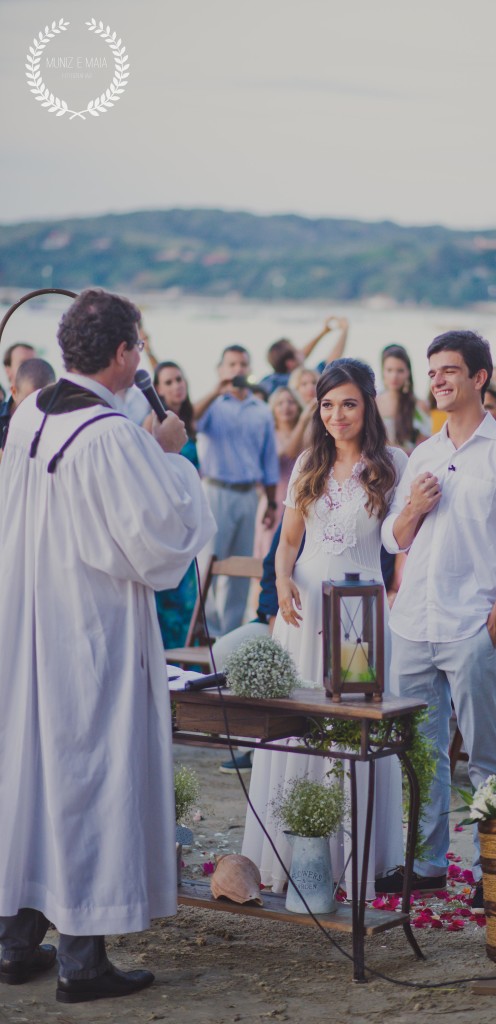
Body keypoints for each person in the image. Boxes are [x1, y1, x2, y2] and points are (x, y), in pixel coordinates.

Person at [0, 288, 215, 1003]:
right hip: (89, 627)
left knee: (32, 773)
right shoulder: (112, 435)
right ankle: (83, 960)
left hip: (29, 616)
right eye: (140, 346)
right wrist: (176, 460)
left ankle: (15, 939)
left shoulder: (32, 411)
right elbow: (156, 543)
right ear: (124, 354)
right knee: (89, 774)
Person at [242, 358, 407, 897]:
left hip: (361, 616)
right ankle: (295, 856)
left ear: (369, 404)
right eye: (329, 404)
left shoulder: (393, 464)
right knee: (298, 726)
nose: (338, 415)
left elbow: (405, 542)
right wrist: (283, 580)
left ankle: (354, 860)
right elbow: (287, 541)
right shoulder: (309, 461)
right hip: (303, 610)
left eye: (350, 403)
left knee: (353, 727)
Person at [377, 330, 496, 897]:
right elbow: (393, 539)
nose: (437, 380)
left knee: (485, 752)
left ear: (480, 378)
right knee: (420, 752)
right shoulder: (423, 453)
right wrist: (412, 506)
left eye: (449, 371)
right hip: (413, 621)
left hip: (472, 623)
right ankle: (429, 863)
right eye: (432, 371)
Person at [194, 345, 279, 635]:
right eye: (231, 364)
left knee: (241, 570)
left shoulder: (262, 410)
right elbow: (190, 420)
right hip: (215, 490)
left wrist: (269, 502)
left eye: (242, 364)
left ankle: (229, 633)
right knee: (208, 563)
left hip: (248, 495)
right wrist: (217, 390)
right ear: (221, 370)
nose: (237, 369)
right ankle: (207, 631)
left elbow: (268, 459)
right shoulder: (212, 406)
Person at [143, 361, 201, 648]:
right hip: (165, 519)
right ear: (158, 389)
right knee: (168, 598)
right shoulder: (152, 422)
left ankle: (183, 655)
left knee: (188, 595)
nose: (177, 384)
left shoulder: (187, 418)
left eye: (179, 378)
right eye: (168, 381)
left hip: (186, 518)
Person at [253, 386, 313, 559]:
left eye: (291, 402)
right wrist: (303, 421)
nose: (286, 407)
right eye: (280, 403)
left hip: (301, 502)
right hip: (275, 502)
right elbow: (287, 453)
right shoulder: (269, 434)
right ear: (273, 408)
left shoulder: (309, 435)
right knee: (267, 559)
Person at [259, 317, 349, 396]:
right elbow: (331, 361)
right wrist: (345, 330)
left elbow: (300, 356)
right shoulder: (303, 379)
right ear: (290, 363)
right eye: (297, 351)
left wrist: (324, 332)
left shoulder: (269, 381)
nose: (301, 351)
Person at [376, 344, 431, 453]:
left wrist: (399, 451)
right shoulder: (374, 403)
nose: (394, 376)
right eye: (389, 370)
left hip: (409, 465)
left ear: (408, 373)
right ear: (383, 372)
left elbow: (426, 448)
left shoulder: (419, 405)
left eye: (400, 371)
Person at [0, 343, 37, 448]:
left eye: (35, 363)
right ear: (8, 371)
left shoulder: (51, 416)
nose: (31, 368)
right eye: (23, 363)